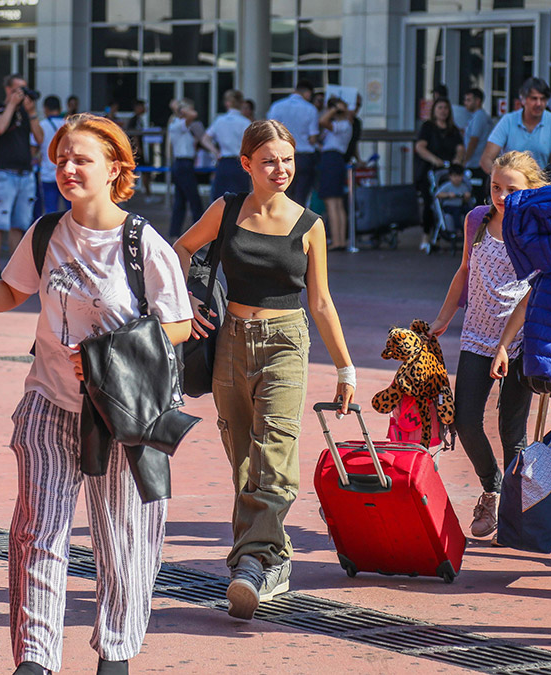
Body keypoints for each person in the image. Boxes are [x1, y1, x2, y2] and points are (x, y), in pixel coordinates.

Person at [0, 114, 192, 675]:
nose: (68, 169)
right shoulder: (49, 230)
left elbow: (177, 324)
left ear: (115, 169)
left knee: (122, 539)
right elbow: (12, 287)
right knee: (37, 531)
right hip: (50, 402)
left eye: (81, 159)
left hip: (120, 413)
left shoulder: (142, 242)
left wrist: (111, 352)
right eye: (60, 160)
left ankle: (116, 655)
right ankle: (35, 660)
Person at [173, 119, 357, 621]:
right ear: (247, 164)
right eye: (270, 161)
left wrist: (345, 369)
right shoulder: (226, 209)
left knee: (274, 457)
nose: (281, 170)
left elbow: (320, 302)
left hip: (285, 344)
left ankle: (250, 564)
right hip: (229, 343)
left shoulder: (310, 224)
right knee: (242, 462)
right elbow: (181, 248)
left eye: (288, 160)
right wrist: (187, 298)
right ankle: (272, 561)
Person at [429, 151, 546, 537]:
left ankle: (515, 513)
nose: (502, 196)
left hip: (518, 342)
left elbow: (531, 296)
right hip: (476, 336)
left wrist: (505, 345)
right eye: (496, 187)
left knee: (513, 431)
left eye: (512, 189)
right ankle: (491, 487)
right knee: (464, 421)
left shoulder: (535, 230)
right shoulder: (476, 220)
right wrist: (443, 319)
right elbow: (464, 270)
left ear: (529, 188)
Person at [0, 73, 45, 282]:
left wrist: (31, 112)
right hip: (5, 174)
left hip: (25, 174)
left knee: (19, 225)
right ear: (8, 89)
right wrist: (12, 104)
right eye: (18, 89)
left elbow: (40, 139)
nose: (21, 94)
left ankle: (12, 271)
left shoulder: (25, 114)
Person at [479, 77, 551, 176]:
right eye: (534, 98)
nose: (539, 104)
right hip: (509, 183)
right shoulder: (508, 120)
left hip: (540, 185)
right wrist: (500, 181)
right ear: (523, 100)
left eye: (543, 99)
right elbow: (486, 159)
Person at [414, 97, 464, 252]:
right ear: (434, 110)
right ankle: (426, 235)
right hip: (430, 171)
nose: (443, 111)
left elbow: (460, 148)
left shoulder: (453, 130)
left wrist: (457, 160)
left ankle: (451, 229)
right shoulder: (428, 127)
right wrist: (434, 160)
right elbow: (420, 146)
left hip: (449, 172)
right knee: (430, 202)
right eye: (440, 108)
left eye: (446, 108)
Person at [267, 80, 320, 208]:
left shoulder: (277, 106)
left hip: (281, 156)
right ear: (307, 93)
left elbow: (269, 132)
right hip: (304, 156)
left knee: (282, 193)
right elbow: (313, 138)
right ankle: (298, 225)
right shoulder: (310, 109)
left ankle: (281, 225)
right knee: (301, 196)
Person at [317, 97, 355, 250]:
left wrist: (334, 109)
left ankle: (338, 240)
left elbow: (322, 121)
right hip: (331, 159)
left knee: (333, 202)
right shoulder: (339, 126)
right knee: (336, 202)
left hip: (332, 159)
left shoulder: (344, 125)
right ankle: (339, 239)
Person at [202, 89, 251, 203]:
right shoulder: (245, 122)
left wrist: (215, 151)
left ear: (227, 103)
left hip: (223, 161)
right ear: (241, 103)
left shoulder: (219, 121)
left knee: (220, 200)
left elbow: (205, 139)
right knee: (240, 200)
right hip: (240, 162)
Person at [167, 98, 205, 238]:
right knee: (195, 201)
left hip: (183, 164)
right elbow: (193, 115)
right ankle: (200, 234)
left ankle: (174, 233)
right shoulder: (178, 125)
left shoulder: (183, 126)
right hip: (183, 164)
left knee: (180, 201)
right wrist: (181, 109)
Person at [37, 95, 68, 216]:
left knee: (50, 211)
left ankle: (52, 234)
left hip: (48, 173)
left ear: (45, 108)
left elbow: (34, 147)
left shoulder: (42, 125)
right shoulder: (68, 124)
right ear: (60, 108)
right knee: (71, 210)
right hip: (67, 173)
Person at [432, 163, 472, 239]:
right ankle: (458, 230)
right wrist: (448, 195)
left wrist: (466, 196)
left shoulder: (463, 186)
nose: (457, 178)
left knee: (469, 211)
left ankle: (472, 228)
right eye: (454, 176)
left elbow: (467, 198)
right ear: (450, 177)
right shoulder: (447, 186)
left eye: (459, 176)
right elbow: (437, 194)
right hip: (449, 206)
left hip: (460, 205)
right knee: (456, 213)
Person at [462, 87, 493, 181]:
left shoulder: (479, 117)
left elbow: (474, 140)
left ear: (478, 101)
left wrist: (465, 160)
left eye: (469, 100)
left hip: (475, 163)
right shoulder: (477, 116)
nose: (465, 103)